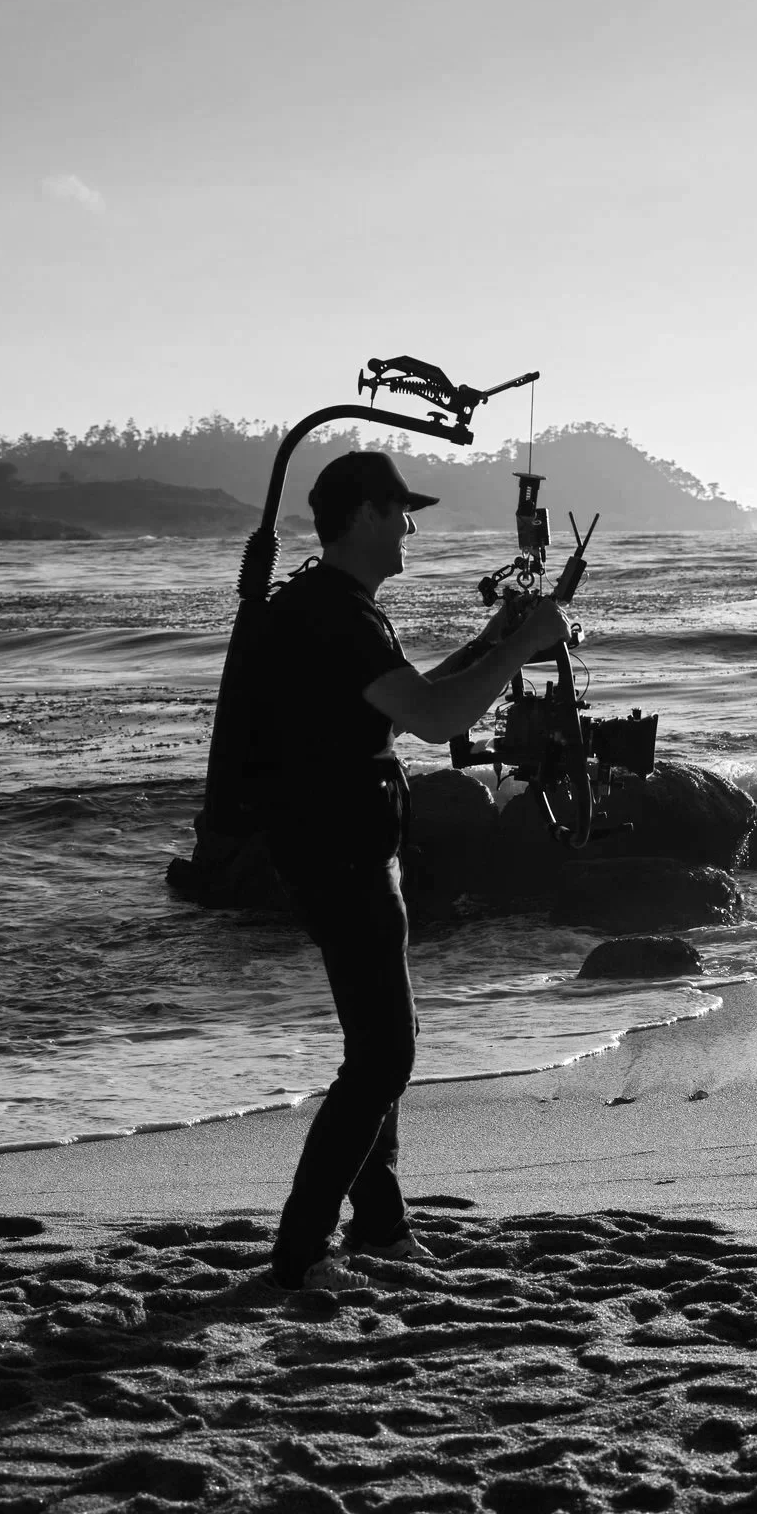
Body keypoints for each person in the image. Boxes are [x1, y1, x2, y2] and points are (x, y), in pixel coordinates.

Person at [244, 450, 567, 1292]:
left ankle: (380, 1229)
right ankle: (302, 1250)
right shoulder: (336, 616)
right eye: (398, 512)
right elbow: (433, 719)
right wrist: (523, 644)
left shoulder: (336, 607)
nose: (410, 528)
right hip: (340, 855)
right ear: (360, 516)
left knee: (376, 1047)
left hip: (344, 850)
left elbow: (408, 693)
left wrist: (496, 638)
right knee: (384, 1058)